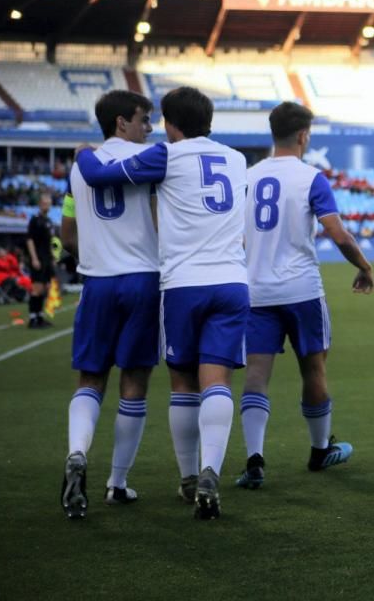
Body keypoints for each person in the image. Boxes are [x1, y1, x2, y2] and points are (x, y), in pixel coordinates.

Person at [74, 86, 249, 520]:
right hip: (232, 280)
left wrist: (80, 152)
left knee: (183, 384)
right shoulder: (238, 159)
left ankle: (191, 476)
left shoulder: (166, 157)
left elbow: (99, 176)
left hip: (183, 284)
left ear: (171, 125)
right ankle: (212, 468)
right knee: (218, 381)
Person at [235, 102, 374, 490]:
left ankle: (255, 460)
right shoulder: (311, 178)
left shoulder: (248, 177)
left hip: (257, 289)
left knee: (257, 377)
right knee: (313, 369)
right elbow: (338, 233)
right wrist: (364, 266)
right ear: (302, 135)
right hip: (301, 291)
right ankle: (318, 451)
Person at [57, 90, 161, 519]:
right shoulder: (145, 162)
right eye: (143, 119)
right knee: (134, 382)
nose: (149, 128)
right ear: (122, 122)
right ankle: (117, 483)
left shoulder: (79, 171)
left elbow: (67, 235)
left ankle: (78, 453)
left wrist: (97, 250)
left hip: (96, 283)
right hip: (140, 279)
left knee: (90, 378)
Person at [25, 193, 56, 328]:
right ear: (39, 204)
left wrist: (52, 257)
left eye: (49, 204)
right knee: (36, 289)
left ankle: (40, 316)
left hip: (47, 259)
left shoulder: (48, 221)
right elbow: (30, 239)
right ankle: (33, 318)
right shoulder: (35, 220)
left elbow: (49, 242)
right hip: (38, 259)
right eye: (44, 203)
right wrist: (34, 258)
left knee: (45, 288)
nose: (47, 206)